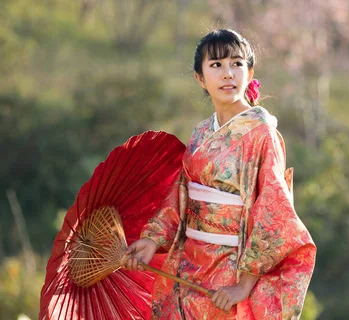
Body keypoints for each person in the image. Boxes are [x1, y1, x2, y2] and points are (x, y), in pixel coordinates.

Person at [124, 28, 316, 319]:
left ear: (249, 72)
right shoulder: (201, 133)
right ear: (199, 78)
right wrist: (153, 240)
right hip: (188, 269)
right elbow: (181, 196)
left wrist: (244, 285)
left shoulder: (261, 132)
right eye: (216, 65)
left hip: (232, 272)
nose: (228, 73)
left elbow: (273, 210)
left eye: (236, 64)